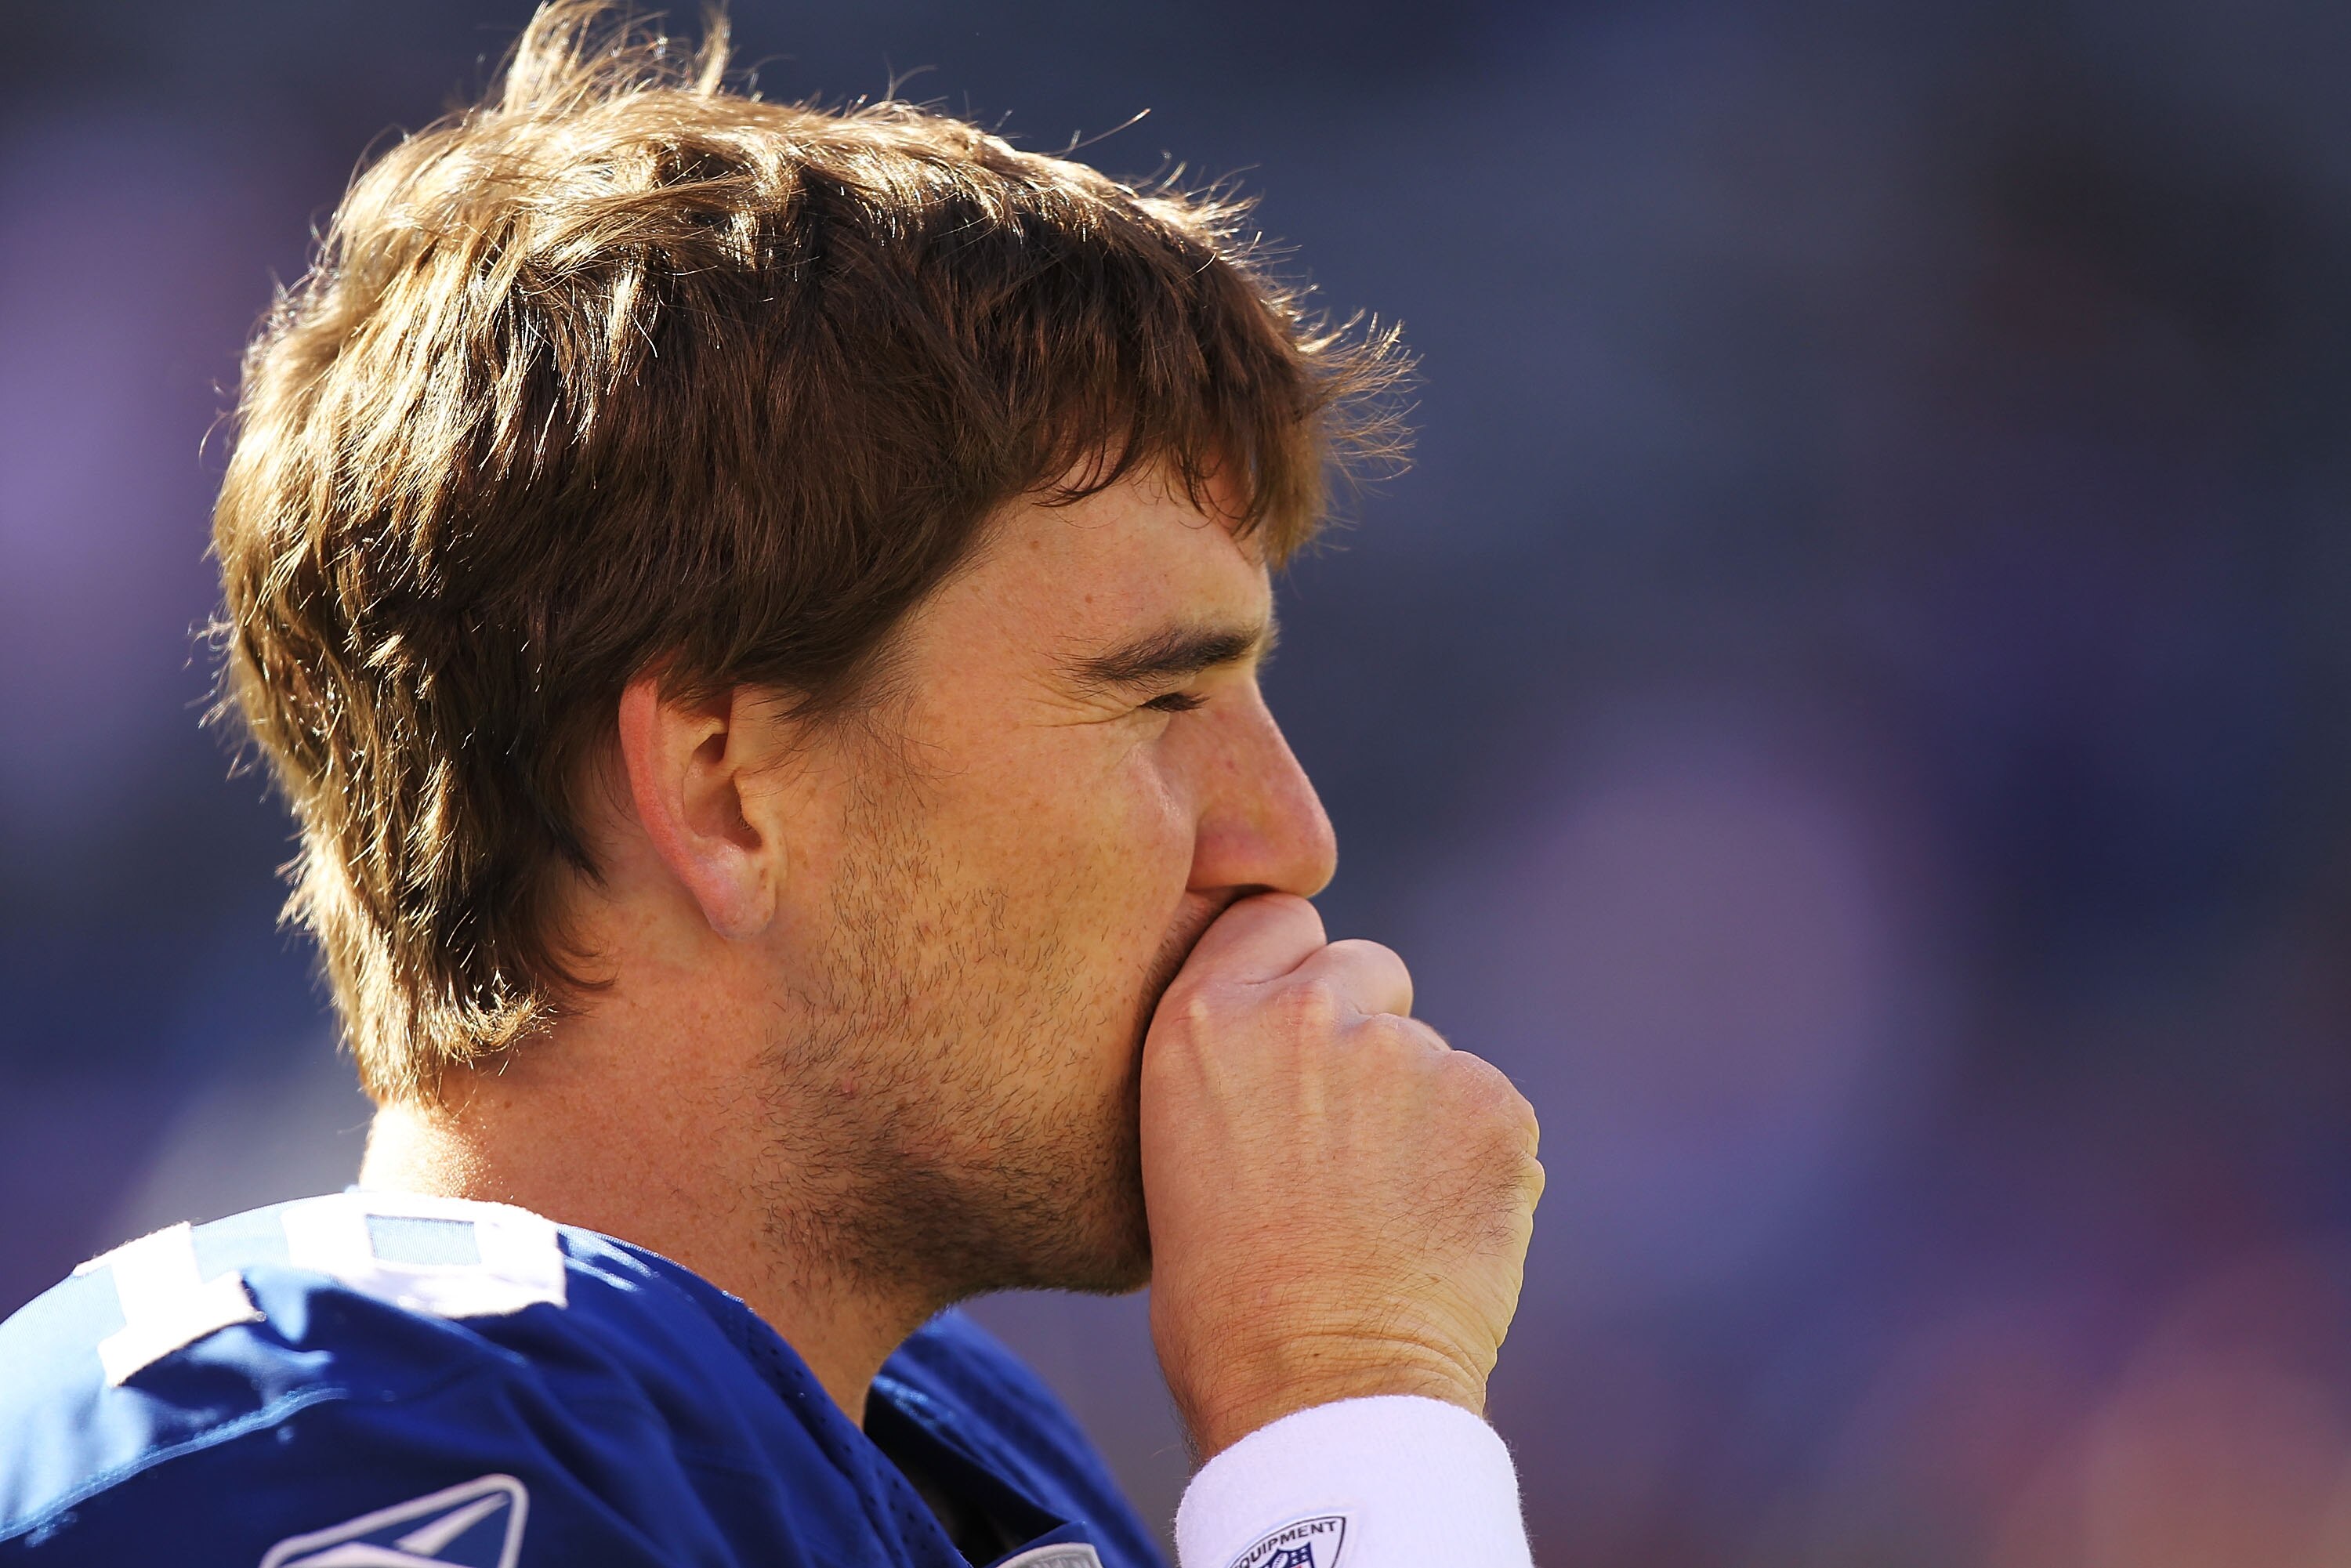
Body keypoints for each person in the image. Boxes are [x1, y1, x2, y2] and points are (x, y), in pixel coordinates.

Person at [0, 4, 1544, 1563]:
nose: (1288, 833)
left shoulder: (933, 1436)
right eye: (1158, 694)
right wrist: (1345, 1402)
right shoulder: (349, 1438)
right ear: (727, 790)